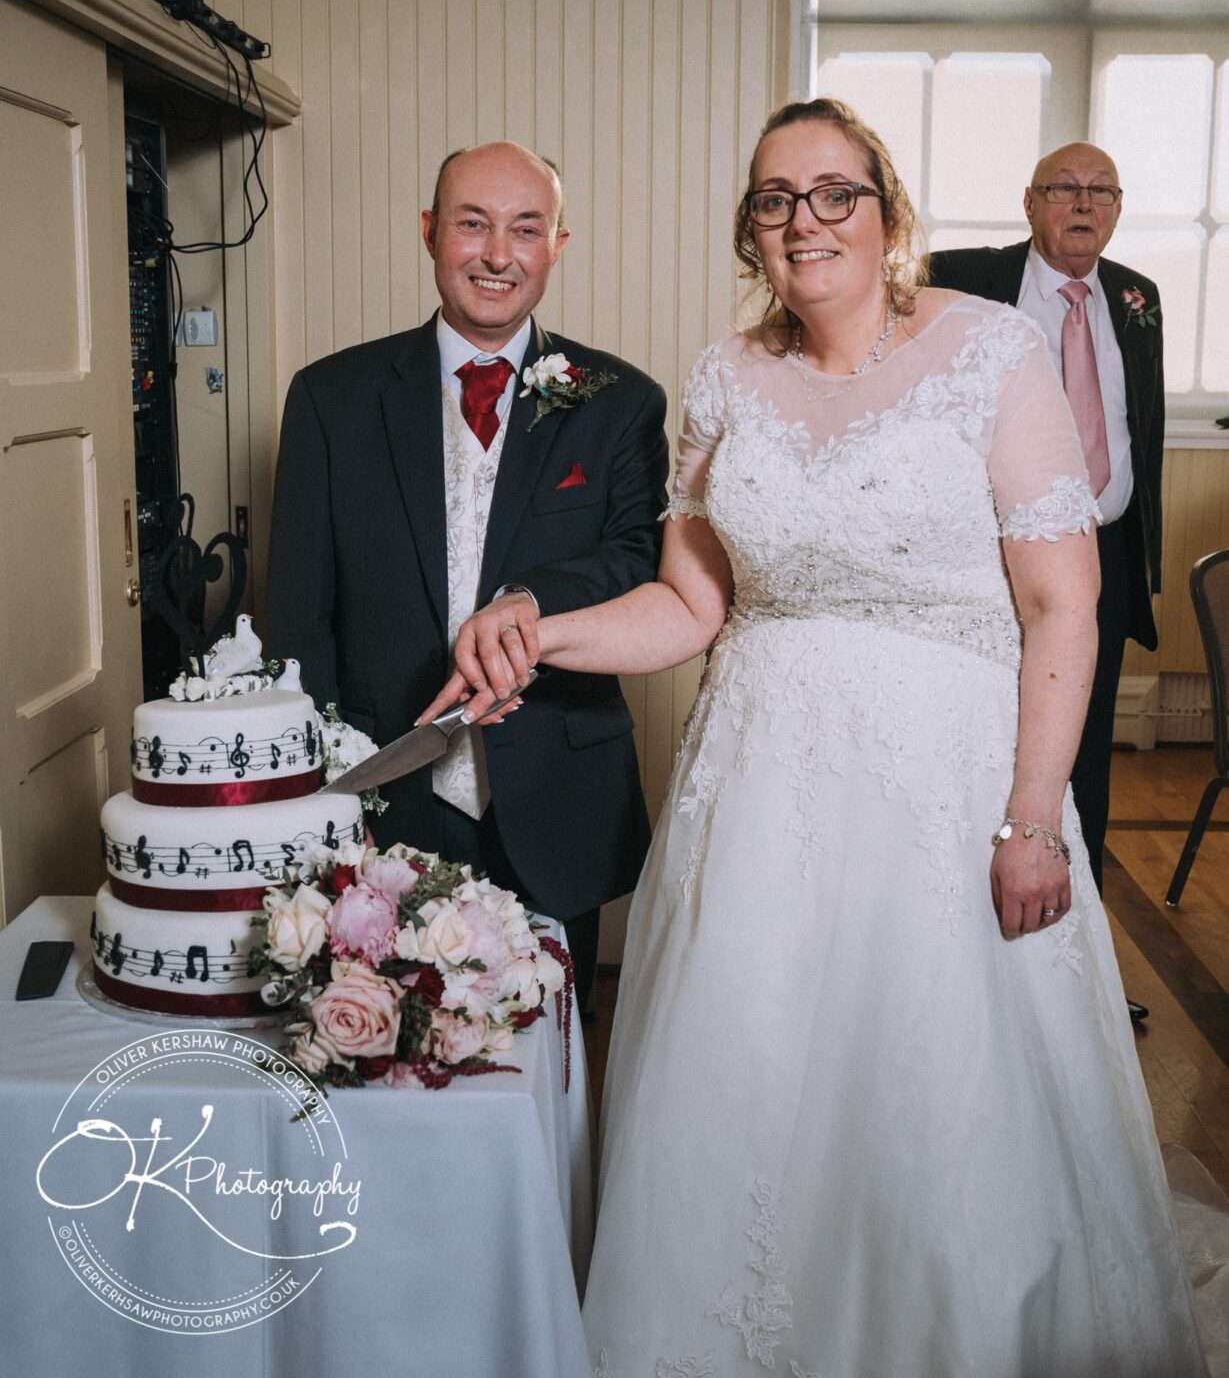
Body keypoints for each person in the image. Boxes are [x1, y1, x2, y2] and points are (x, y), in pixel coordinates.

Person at [425, 101, 1206, 1375]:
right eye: (774, 200)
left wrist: (1028, 820)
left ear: (887, 213)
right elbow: (689, 605)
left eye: (832, 192)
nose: (803, 222)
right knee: (750, 1087)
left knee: (937, 1096)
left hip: (946, 790)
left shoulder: (987, 351)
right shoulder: (724, 377)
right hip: (759, 795)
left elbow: (1065, 600)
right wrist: (532, 626)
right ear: (752, 230)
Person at [266, 141, 669, 1014]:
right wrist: (318, 797)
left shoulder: (620, 401)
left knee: (546, 1049)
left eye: (526, 229)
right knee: (383, 1042)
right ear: (428, 233)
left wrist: (532, 606)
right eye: (472, 224)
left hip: (557, 789)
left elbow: (640, 560)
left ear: (557, 245)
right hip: (386, 788)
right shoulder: (331, 398)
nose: (497, 254)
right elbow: (298, 616)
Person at [927, 147, 1163, 1023]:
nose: (1082, 203)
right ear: (1029, 202)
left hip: (1099, 563)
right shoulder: (959, 279)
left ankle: (1078, 980)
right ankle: (969, 966)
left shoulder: (1137, 298)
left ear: (1117, 207)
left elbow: (1141, 429)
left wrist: (1139, 558)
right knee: (983, 752)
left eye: (1100, 190)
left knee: (1085, 770)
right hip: (987, 562)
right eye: (1064, 188)